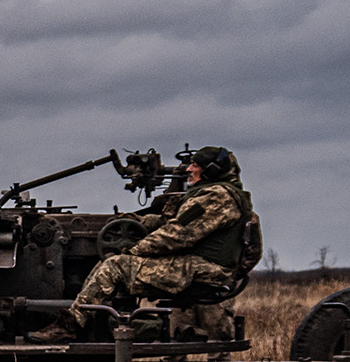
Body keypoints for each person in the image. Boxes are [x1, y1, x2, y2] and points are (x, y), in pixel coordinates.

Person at [28, 145, 253, 343]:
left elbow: (175, 235)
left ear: (211, 170)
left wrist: (135, 250)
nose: (187, 169)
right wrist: (136, 221)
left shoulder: (215, 198)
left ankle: (69, 327)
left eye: (194, 165)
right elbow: (169, 222)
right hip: (198, 266)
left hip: (201, 270)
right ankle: (88, 321)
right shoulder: (217, 194)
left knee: (116, 266)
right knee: (110, 264)